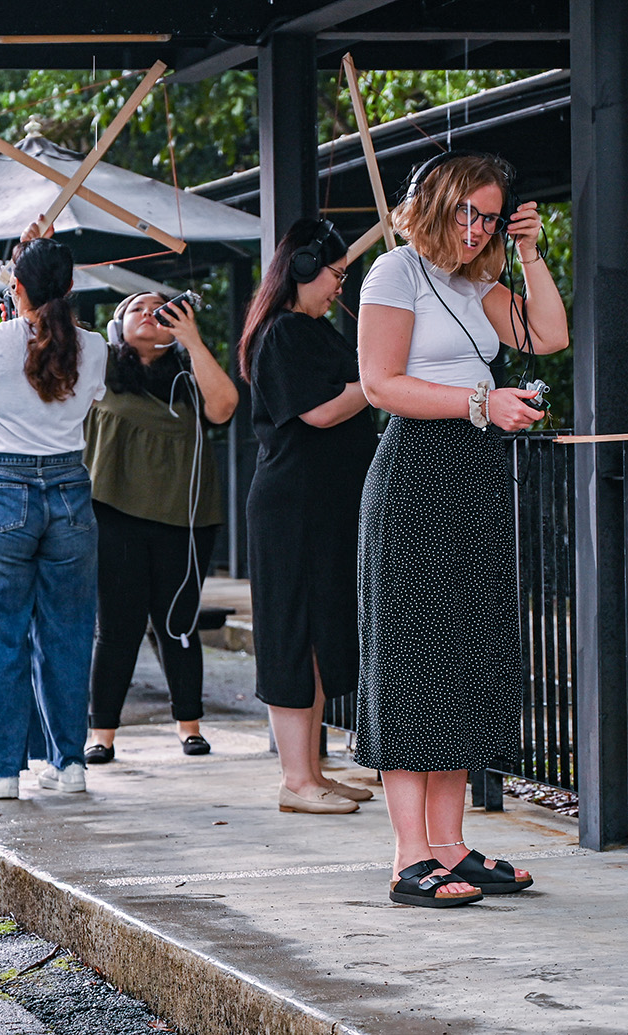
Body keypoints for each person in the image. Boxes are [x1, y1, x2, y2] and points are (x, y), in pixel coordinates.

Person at [355, 151, 569, 907]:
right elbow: (380, 383)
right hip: (415, 471)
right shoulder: (396, 273)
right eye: (466, 213)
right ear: (435, 204)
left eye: (490, 216)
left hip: (474, 472)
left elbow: (549, 334)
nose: (477, 229)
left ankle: (449, 844)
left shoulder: (478, 281)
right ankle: (408, 856)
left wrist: (530, 252)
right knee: (412, 658)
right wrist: (482, 402)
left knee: (463, 656)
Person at [0, 237, 108, 799]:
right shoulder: (95, 348)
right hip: (69, 491)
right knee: (69, 635)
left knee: (0, 636)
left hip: (4, 491)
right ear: (71, 287)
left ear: (16, 288)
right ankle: (69, 762)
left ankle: (2, 772)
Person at [239, 218, 379, 816]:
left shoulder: (315, 328)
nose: (339, 286)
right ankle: (296, 780)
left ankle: (313, 771)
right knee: (291, 634)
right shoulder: (280, 332)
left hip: (323, 506)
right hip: (290, 508)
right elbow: (319, 411)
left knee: (320, 635)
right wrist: (380, 384)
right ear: (301, 269)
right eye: (335, 274)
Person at [83, 291, 239, 763]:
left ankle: (189, 726)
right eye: (137, 309)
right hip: (113, 513)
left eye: (159, 308)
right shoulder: (99, 367)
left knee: (179, 624)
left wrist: (191, 339)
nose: (148, 314)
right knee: (117, 628)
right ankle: (102, 734)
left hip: (185, 519)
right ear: (117, 325)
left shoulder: (188, 377)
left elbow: (224, 407)